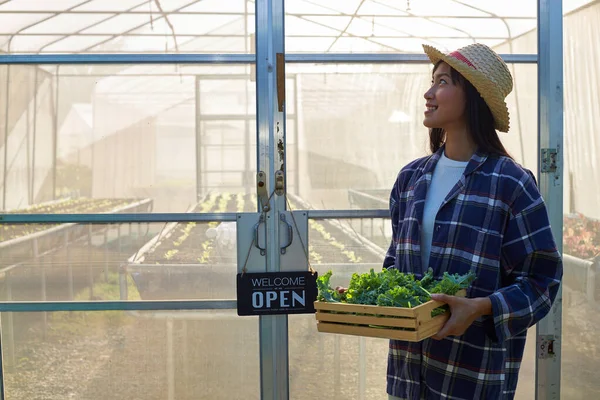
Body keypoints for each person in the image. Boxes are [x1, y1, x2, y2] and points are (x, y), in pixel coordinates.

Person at [377, 43, 562, 399]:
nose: (429, 93)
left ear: (474, 97)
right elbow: (395, 265)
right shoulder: (410, 179)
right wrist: (370, 299)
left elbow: (542, 281)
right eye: (432, 81)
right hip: (406, 377)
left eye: (443, 82)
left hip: (471, 377)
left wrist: (480, 308)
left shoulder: (510, 183)